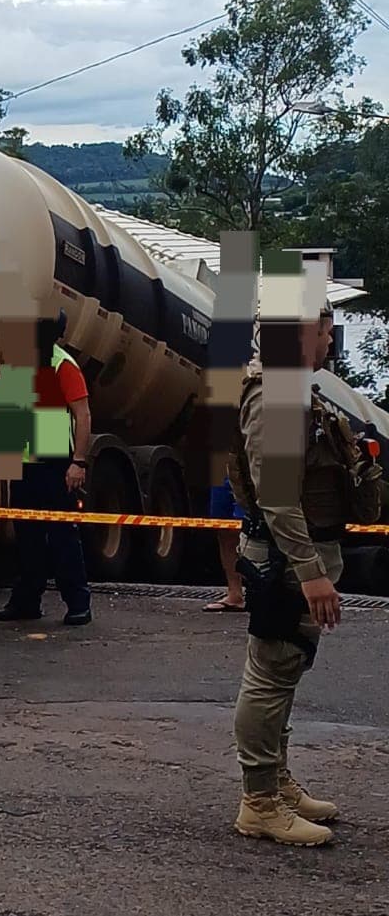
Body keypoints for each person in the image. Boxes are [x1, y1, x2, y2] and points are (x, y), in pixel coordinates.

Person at [227, 300, 382, 845]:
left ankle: (277, 782)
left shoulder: (294, 389)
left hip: (302, 555)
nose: (332, 340)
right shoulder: (274, 398)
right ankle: (260, 802)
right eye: (325, 330)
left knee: (285, 671)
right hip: (289, 560)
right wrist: (313, 574)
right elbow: (278, 501)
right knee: (270, 675)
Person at [0, 311, 93, 626]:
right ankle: (26, 602)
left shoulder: (62, 364)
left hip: (53, 460)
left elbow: (83, 414)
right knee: (27, 539)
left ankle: (78, 603)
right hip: (24, 464)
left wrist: (78, 462)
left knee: (62, 535)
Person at [203, 477, 246, 613]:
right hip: (224, 461)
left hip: (263, 461)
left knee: (268, 526)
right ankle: (235, 594)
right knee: (223, 526)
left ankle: (272, 595)